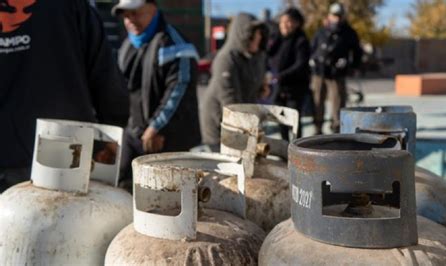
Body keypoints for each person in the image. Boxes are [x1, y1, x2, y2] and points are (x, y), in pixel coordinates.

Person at [0, 0, 128, 191]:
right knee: (64, 218)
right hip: (65, 152)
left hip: (54, 151)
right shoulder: (70, 5)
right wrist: (112, 130)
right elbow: (105, 76)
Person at [112, 0, 201, 189]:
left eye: (135, 13)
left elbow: (179, 89)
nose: (130, 20)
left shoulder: (175, 44)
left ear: (152, 7)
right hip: (133, 133)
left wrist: (157, 127)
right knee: (122, 185)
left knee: (166, 194)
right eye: (126, 16)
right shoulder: (127, 45)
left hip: (166, 140)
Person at [199, 13, 267, 150]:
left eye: (260, 33)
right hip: (219, 122)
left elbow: (252, 87)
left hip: (241, 121)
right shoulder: (226, 59)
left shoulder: (254, 58)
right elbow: (230, 101)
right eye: (254, 34)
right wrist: (250, 130)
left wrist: (261, 89)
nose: (258, 38)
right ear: (243, 34)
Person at [309, 2, 362, 134]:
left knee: (338, 103)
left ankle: (336, 129)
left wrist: (351, 65)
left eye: (339, 15)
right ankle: (317, 128)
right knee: (317, 101)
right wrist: (312, 60)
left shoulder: (349, 32)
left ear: (343, 16)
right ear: (329, 15)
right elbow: (312, 48)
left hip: (337, 74)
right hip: (319, 73)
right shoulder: (321, 31)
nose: (337, 18)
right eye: (334, 15)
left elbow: (357, 52)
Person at [267, 7, 310, 140]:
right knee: (281, 120)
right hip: (278, 87)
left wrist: (281, 76)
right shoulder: (276, 38)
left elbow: (300, 64)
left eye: (289, 21)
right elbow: (267, 55)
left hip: (295, 87)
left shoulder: (301, 40)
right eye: (282, 21)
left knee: (294, 121)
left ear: (297, 23)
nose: (285, 25)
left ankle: (298, 148)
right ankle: (284, 149)